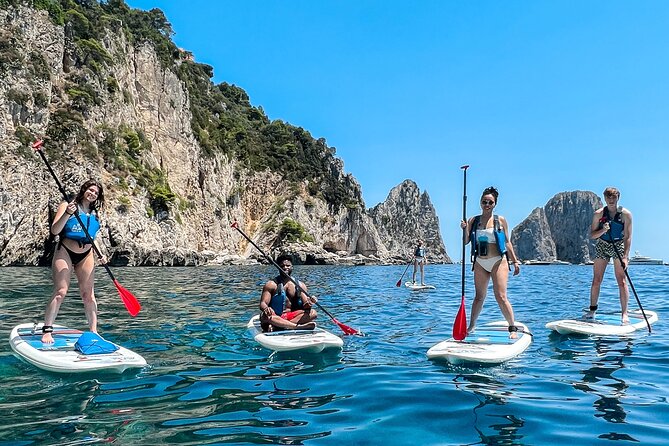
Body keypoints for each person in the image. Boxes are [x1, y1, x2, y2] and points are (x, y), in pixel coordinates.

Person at [42, 180, 106, 343]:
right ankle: (47, 329)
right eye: (90, 190)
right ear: (84, 189)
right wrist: (67, 214)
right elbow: (55, 230)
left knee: (88, 295)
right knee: (61, 291)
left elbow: (92, 237)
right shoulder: (67, 205)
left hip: (86, 254)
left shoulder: (94, 213)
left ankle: (94, 331)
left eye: (96, 193)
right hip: (65, 250)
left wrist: (100, 253)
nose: (92, 194)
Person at [461, 186, 522, 337]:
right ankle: (472, 326)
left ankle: (512, 327)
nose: (487, 205)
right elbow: (466, 241)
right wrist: (464, 229)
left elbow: (507, 242)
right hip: (480, 262)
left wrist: (515, 261)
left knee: (501, 296)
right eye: (484, 202)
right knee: (478, 297)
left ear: (495, 204)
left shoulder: (500, 220)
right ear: (480, 203)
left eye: (490, 202)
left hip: (498, 261)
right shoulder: (472, 220)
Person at [586, 187, 633, 323]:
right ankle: (592, 311)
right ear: (605, 199)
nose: (611, 200)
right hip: (603, 245)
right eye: (608, 197)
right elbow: (593, 235)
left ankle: (624, 314)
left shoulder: (626, 214)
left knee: (621, 280)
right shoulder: (598, 214)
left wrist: (625, 257)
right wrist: (603, 230)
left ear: (618, 198)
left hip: (618, 245)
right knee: (597, 279)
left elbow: (628, 237)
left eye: (613, 197)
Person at [259, 255, 318, 332]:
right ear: (278, 267)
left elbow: (306, 306)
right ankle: (297, 327)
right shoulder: (271, 284)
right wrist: (267, 308)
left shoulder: (300, 285)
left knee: (313, 313)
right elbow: (262, 303)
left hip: (292, 317)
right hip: (275, 316)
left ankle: (280, 326)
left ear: (292, 267)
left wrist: (310, 303)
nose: (285, 267)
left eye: (288, 265)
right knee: (266, 317)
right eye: (282, 266)